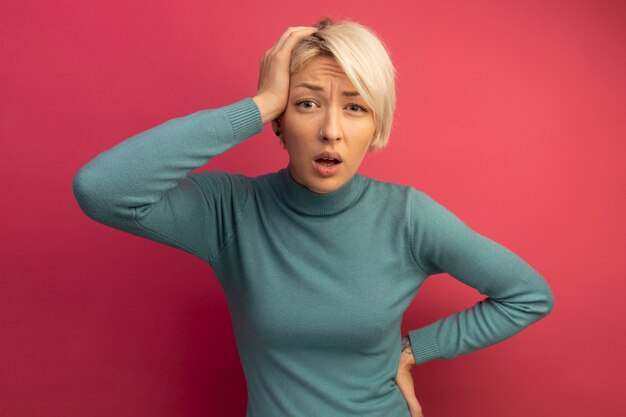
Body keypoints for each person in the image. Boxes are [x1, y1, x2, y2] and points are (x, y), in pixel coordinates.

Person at [72, 18, 554, 417]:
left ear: (376, 125)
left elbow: (528, 295)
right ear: (280, 121)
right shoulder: (232, 211)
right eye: (306, 104)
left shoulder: (407, 216)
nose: (331, 131)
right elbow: (101, 189)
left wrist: (413, 351)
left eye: (355, 107)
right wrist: (257, 105)